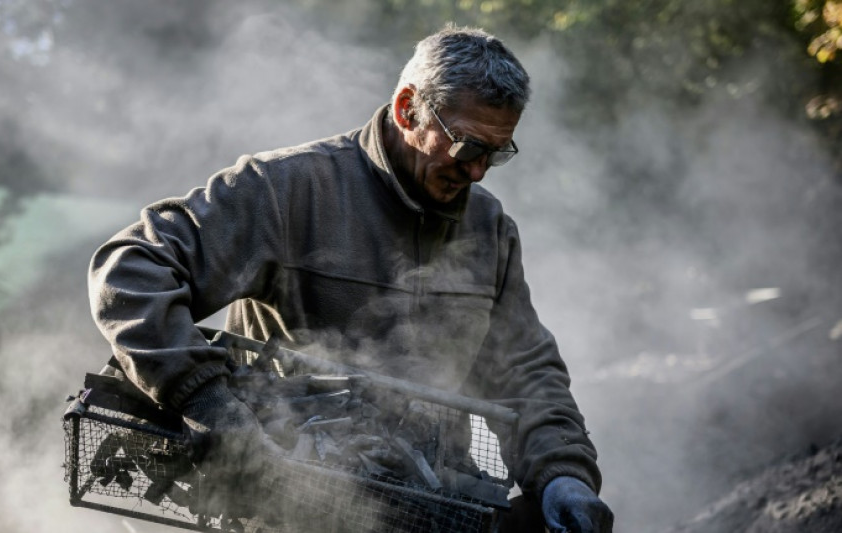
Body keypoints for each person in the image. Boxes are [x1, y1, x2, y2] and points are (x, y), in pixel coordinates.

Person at [89, 23, 614, 532]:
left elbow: (525, 370)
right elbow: (131, 267)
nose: (477, 172)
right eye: (468, 147)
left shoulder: (490, 230)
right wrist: (207, 404)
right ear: (409, 108)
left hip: (430, 512)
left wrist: (562, 474)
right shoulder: (285, 190)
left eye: (496, 154)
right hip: (284, 509)